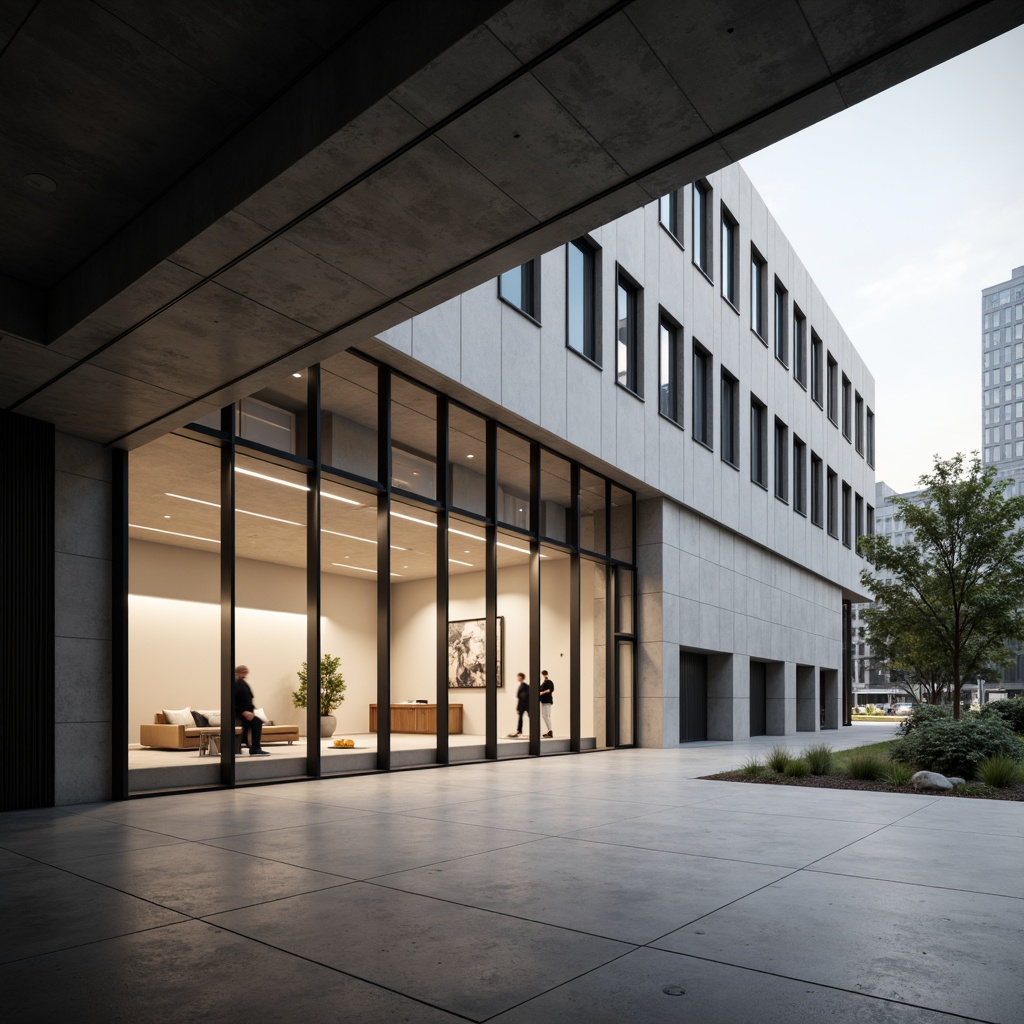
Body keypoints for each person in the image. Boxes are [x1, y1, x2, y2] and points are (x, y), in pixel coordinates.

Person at [233, 665, 270, 756]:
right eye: (244, 671)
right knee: (257, 723)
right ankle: (255, 748)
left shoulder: (241, 683)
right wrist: (243, 712)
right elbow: (235, 701)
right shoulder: (238, 683)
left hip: (246, 713)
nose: (246, 672)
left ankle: (249, 745)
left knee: (252, 725)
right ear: (240, 672)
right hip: (241, 714)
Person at [508, 672, 529, 737]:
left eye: (518, 676)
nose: (517, 678)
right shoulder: (523, 685)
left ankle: (519, 731)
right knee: (520, 717)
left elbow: (522, 696)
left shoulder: (524, 685)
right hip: (523, 704)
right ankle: (519, 730)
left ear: (521, 677)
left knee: (522, 717)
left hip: (524, 704)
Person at [539, 669, 554, 737]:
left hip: (547, 701)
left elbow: (549, 690)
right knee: (544, 716)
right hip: (544, 701)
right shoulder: (543, 683)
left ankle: (550, 731)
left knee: (546, 716)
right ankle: (549, 731)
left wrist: (542, 692)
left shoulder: (548, 682)